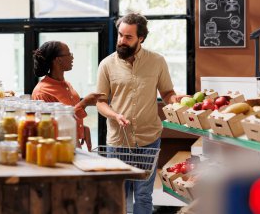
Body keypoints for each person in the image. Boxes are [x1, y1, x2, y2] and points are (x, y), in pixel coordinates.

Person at [96, 13, 186, 213]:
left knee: (144, 196)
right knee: (120, 196)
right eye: (120, 35)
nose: (122, 41)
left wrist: (175, 99)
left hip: (149, 139)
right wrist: (114, 115)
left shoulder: (157, 61)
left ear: (141, 38)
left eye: (128, 37)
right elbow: (100, 102)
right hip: (119, 141)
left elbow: (167, 93)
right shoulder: (107, 65)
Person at [32, 41, 104, 151]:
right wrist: (83, 103)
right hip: (57, 150)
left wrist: (81, 128)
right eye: (69, 54)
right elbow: (48, 128)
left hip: (73, 147)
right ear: (58, 60)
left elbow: (67, 118)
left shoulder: (66, 85)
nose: (72, 58)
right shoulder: (42, 92)